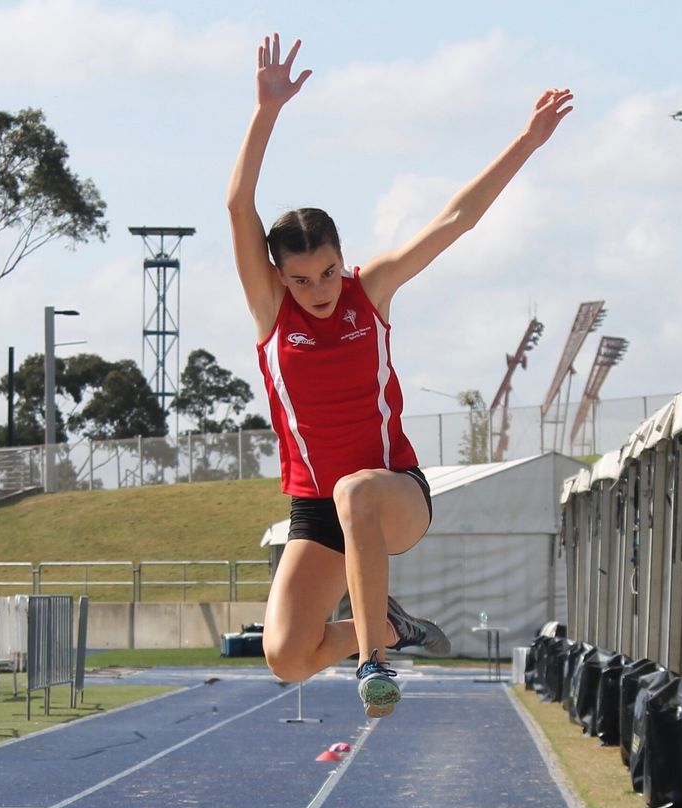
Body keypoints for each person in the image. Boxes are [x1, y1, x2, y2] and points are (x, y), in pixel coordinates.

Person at [227, 33, 573, 718]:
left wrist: (528, 141)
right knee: (286, 657)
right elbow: (240, 207)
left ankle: (374, 664)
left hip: (394, 497)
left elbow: (456, 219)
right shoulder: (271, 311)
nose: (318, 289)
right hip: (316, 510)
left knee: (356, 489)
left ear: (341, 258)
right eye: (300, 279)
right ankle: (388, 627)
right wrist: (266, 110)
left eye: (327, 271)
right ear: (279, 277)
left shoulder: (370, 291)